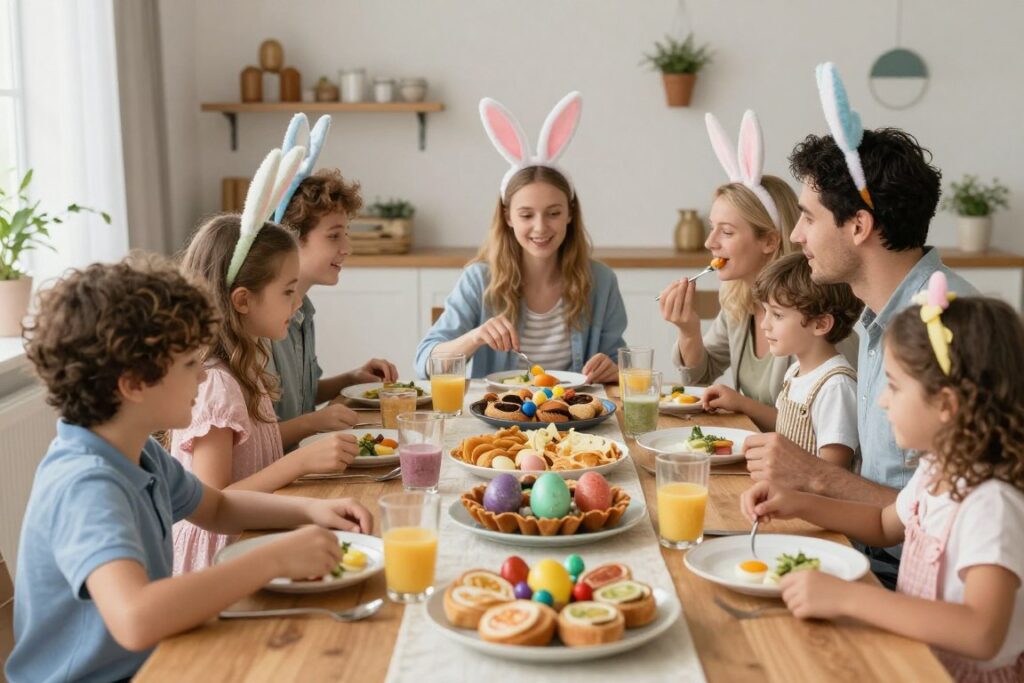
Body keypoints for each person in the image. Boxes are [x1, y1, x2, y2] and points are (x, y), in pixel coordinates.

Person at [5, 256, 371, 683]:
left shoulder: (137, 450)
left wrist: (311, 512)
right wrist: (273, 558)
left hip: (153, 662)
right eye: (189, 365)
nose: (201, 378)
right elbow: (136, 618)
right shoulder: (86, 484)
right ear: (134, 384)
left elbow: (216, 507)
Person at [742, 277, 1024, 681]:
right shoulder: (936, 470)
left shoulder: (990, 505)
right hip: (915, 660)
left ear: (946, 405)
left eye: (894, 385)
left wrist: (849, 598)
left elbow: (981, 633)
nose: (882, 400)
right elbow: (882, 523)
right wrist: (797, 502)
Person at [416, 92, 625, 383]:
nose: (540, 227)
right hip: (500, 409)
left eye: (553, 213)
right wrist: (475, 337)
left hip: (574, 409)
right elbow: (425, 364)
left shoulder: (601, 281)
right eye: (526, 215)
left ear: (570, 214)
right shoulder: (478, 280)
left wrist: (614, 370)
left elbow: (619, 365)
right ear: (508, 217)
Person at [660, 111, 857, 404]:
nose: (710, 243)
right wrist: (688, 331)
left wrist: (742, 404)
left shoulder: (813, 308)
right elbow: (699, 378)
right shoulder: (738, 297)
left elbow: (816, 420)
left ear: (769, 240)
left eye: (727, 232)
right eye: (713, 228)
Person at [267, 114, 398, 448]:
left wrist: (351, 378)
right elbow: (251, 440)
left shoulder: (303, 310)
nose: (347, 247)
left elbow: (300, 394)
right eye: (334, 236)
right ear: (292, 237)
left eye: (346, 233)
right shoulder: (263, 322)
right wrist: (313, 422)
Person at [703, 253, 861, 468]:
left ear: (821, 324)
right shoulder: (795, 372)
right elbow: (785, 426)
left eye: (777, 315)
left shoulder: (836, 387)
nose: (764, 325)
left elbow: (832, 473)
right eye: (766, 312)